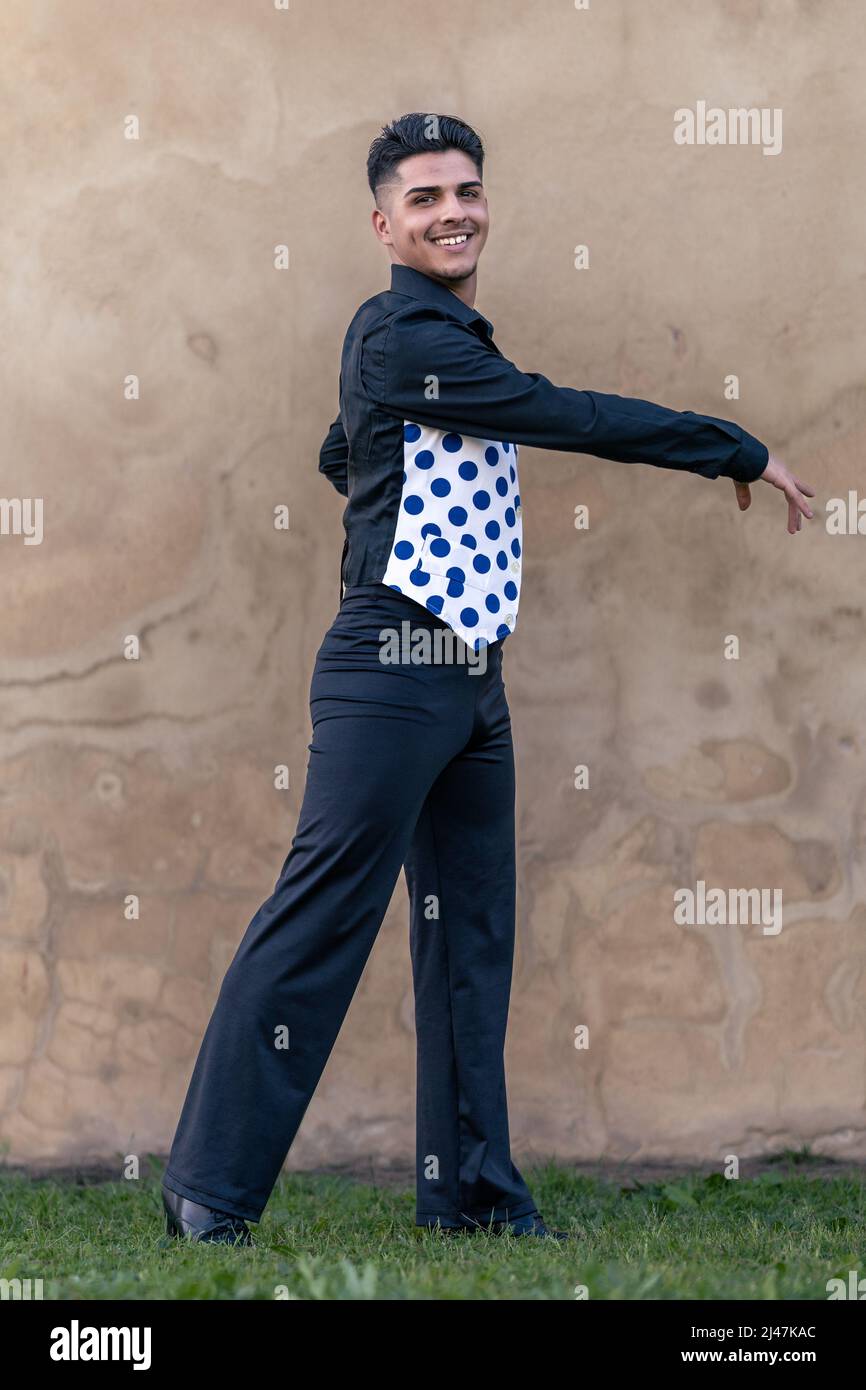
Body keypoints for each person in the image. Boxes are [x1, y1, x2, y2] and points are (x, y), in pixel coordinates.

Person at [162, 113, 815, 1246]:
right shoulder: (399, 332)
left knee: (467, 934)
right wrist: (729, 445)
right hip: (390, 665)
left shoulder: (441, 345)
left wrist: (378, 471)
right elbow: (562, 414)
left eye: (465, 190)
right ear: (383, 223)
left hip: (468, 675)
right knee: (320, 916)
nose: (451, 210)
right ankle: (207, 1193)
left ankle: (467, 1193)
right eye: (423, 198)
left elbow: (343, 451)